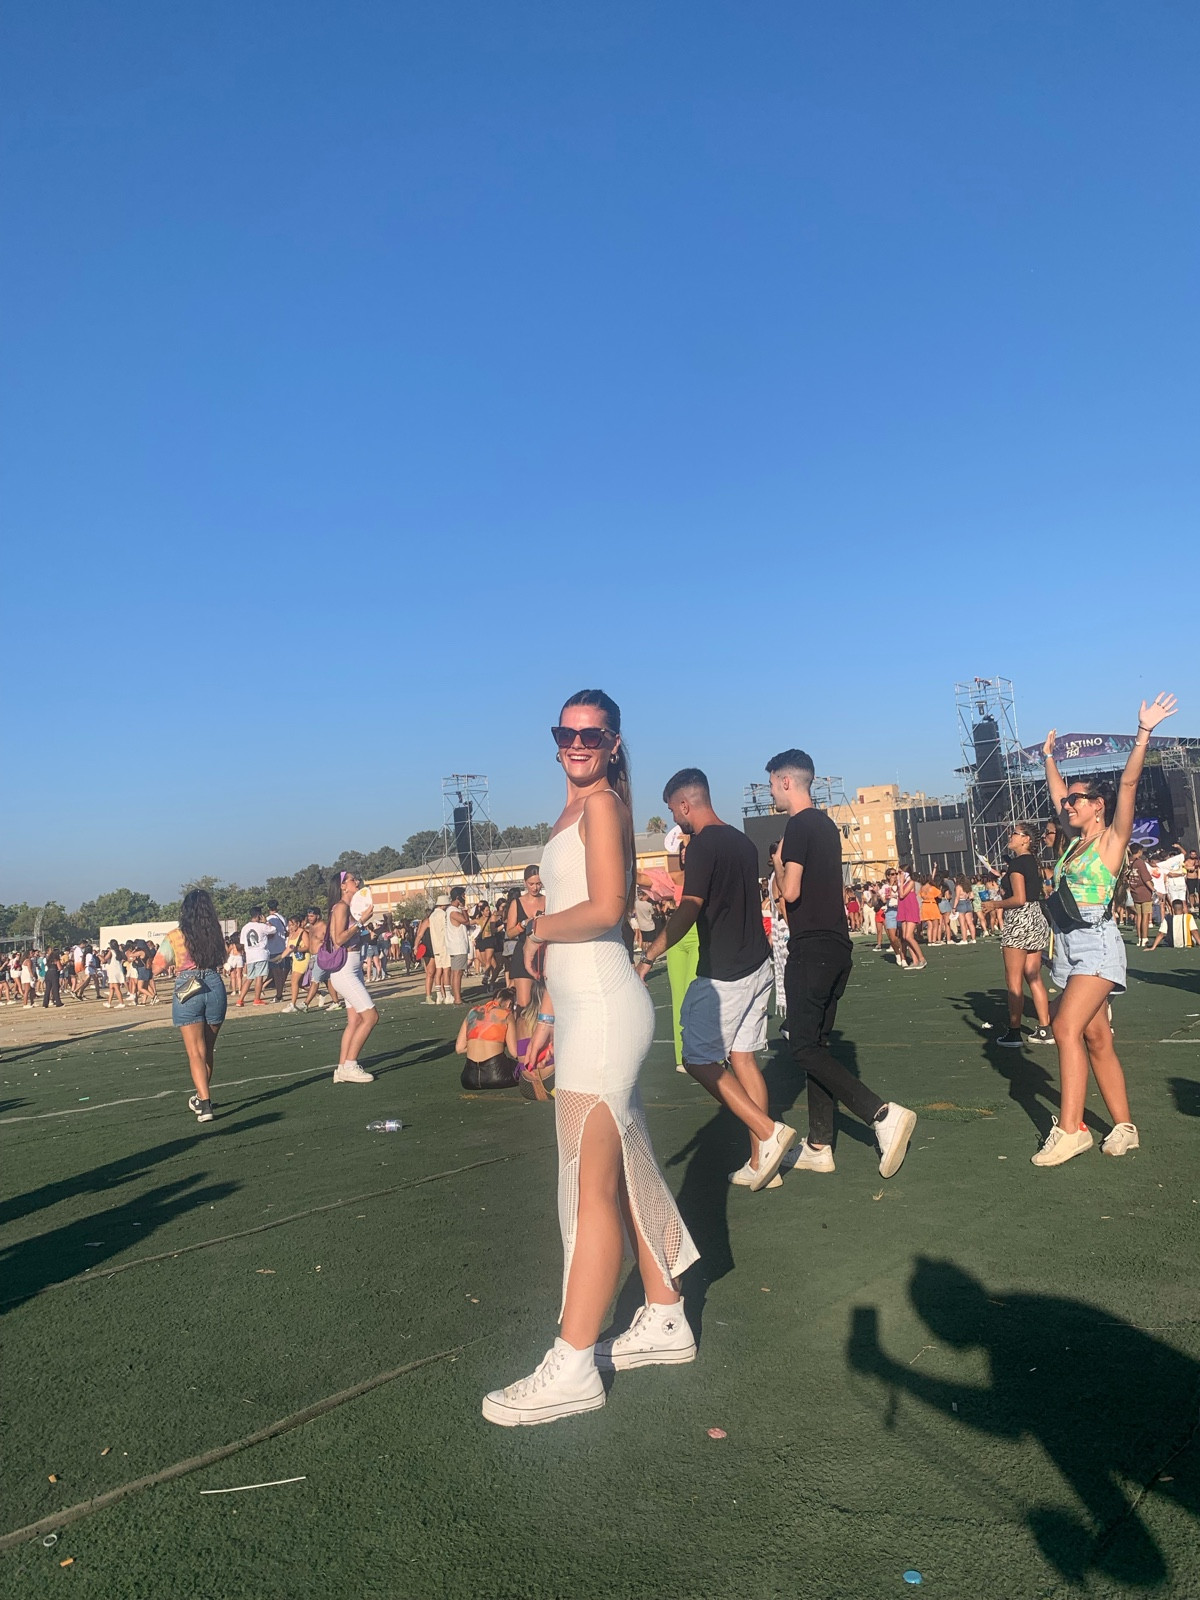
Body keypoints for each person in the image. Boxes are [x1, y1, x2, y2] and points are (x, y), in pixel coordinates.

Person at [482, 690, 699, 1427]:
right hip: (582, 1012)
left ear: (613, 742)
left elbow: (607, 910)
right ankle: (665, 1314)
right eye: (566, 732)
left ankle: (574, 1363)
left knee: (588, 1186)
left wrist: (534, 928)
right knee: (626, 1170)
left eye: (592, 734)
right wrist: (547, 1013)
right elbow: (586, 924)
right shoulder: (573, 812)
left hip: (606, 1013)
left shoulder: (603, 806)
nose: (577, 743)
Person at [1033, 693, 1177, 1166]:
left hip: (1096, 945)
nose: (1067, 805)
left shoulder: (1112, 840)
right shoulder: (1074, 841)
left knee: (1064, 1026)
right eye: (1067, 800)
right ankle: (1124, 1127)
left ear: (1098, 806)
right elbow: (1056, 792)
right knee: (1096, 1039)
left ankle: (1070, 1129)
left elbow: (1129, 783)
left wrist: (1143, 733)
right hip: (1068, 947)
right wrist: (1049, 758)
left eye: (1076, 799)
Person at [637, 767, 795, 1192]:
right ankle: (763, 1163)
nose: (674, 820)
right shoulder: (742, 841)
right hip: (758, 963)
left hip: (725, 973)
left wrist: (648, 956)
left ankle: (769, 1132)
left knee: (697, 1059)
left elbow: (690, 907)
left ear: (685, 804)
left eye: (673, 812)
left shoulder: (703, 846)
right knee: (743, 1058)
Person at [766, 748, 917, 1178]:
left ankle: (880, 1114)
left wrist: (777, 866)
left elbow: (790, 893)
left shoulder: (798, 825)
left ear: (786, 782)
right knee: (816, 1045)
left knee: (802, 1046)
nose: (771, 792)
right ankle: (819, 1144)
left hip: (811, 947)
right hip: (836, 947)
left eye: (772, 784)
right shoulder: (826, 826)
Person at [151, 888, 229, 1124]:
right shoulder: (215, 933)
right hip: (214, 983)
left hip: (188, 985)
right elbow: (223, 958)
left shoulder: (175, 936)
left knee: (195, 1051)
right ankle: (200, 1098)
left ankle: (205, 1104)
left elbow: (157, 966)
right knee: (208, 1049)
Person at [991, 823, 1052, 1048]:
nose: (1011, 836)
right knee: (1034, 977)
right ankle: (1045, 1028)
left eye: (1015, 833)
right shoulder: (1033, 862)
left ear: (1026, 839)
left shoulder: (1018, 863)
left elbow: (1019, 898)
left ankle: (1014, 1031)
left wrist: (994, 904)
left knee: (1014, 980)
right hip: (1036, 917)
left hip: (1019, 920)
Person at [324, 870, 378, 1083]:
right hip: (345, 969)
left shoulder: (348, 908)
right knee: (371, 1017)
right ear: (343, 886)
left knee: (355, 1020)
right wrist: (361, 922)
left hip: (352, 967)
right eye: (352, 880)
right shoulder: (341, 907)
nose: (357, 882)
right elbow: (338, 940)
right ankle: (350, 1065)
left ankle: (341, 1068)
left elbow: (352, 938)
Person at [454, 987, 517, 1090]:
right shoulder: (506, 1014)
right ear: (509, 1004)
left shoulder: (472, 1012)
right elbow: (514, 1052)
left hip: (469, 1078)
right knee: (522, 1068)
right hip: (496, 1075)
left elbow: (459, 1048)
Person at [505, 864, 545, 1010]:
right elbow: (509, 933)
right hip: (522, 952)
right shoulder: (517, 903)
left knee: (544, 1003)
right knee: (524, 1004)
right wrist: (523, 924)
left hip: (544, 953)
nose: (535, 888)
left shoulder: (548, 900)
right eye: (531, 884)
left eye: (538, 883)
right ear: (524, 883)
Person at [237, 907, 274, 1006]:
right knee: (259, 977)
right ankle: (257, 999)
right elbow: (273, 930)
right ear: (259, 915)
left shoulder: (245, 927)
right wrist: (266, 922)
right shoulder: (262, 926)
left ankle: (240, 1000)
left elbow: (242, 942)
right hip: (260, 954)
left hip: (250, 956)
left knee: (249, 978)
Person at [443, 887, 473, 1005]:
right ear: (457, 897)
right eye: (463, 895)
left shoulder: (450, 910)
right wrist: (464, 908)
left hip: (454, 945)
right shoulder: (453, 911)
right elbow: (466, 921)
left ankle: (456, 997)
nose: (464, 897)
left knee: (456, 972)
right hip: (458, 945)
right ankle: (457, 998)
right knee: (458, 972)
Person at [895, 864, 926, 970]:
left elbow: (902, 894)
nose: (898, 875)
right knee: (905, 937)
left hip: (911, 910)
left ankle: (922, 958)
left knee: (909, 936)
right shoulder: (901, 883)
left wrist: (901, 882)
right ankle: (915, 960)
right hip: (903, 910)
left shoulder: (911, 882)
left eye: (900, 872)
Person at [1127, 843, 1155, 947]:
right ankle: (1144, 938)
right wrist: (1154, 890)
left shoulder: (1128, 862)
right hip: (1144, 891)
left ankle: (1139, 938)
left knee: (1138, 916)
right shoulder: (1140, 862)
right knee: (1145, 916)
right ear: (1139, 851)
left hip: (1134, 891)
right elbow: (1146, 879)